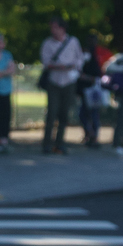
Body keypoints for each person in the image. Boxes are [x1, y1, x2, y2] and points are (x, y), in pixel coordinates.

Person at [38, 16, 83, 154]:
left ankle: (60, 143)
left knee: (64, 113)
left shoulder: (73, 41)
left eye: (55, 27)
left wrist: (73, 67)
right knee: (52, 112)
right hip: (54, 81)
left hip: (69, 81)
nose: (52, 30)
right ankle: (47, 143)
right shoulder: (47, 43)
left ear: (62, 28)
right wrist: (59, 67)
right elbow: (46, 63)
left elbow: (79, 58)